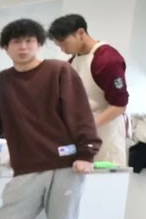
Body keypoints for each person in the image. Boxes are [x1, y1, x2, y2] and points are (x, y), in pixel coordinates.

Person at [0, 18, 101, 219]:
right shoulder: (2, 81)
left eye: (29, 41)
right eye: (16, 42)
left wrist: (86, 153)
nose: (23, 47)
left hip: (66, 166)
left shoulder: (59, 71)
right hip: (26, 168)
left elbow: (80, 113)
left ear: (39, 44)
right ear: (6, 48)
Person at [48, 14, 130, 166]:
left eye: (64, 43)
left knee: (102, 185)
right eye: (59, 46)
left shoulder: (107, 60)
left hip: (105, 133)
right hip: (82, 135)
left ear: (80, 33)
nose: (63, 49)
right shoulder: (74, 60)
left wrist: (88, 127)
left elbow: (119, 105)